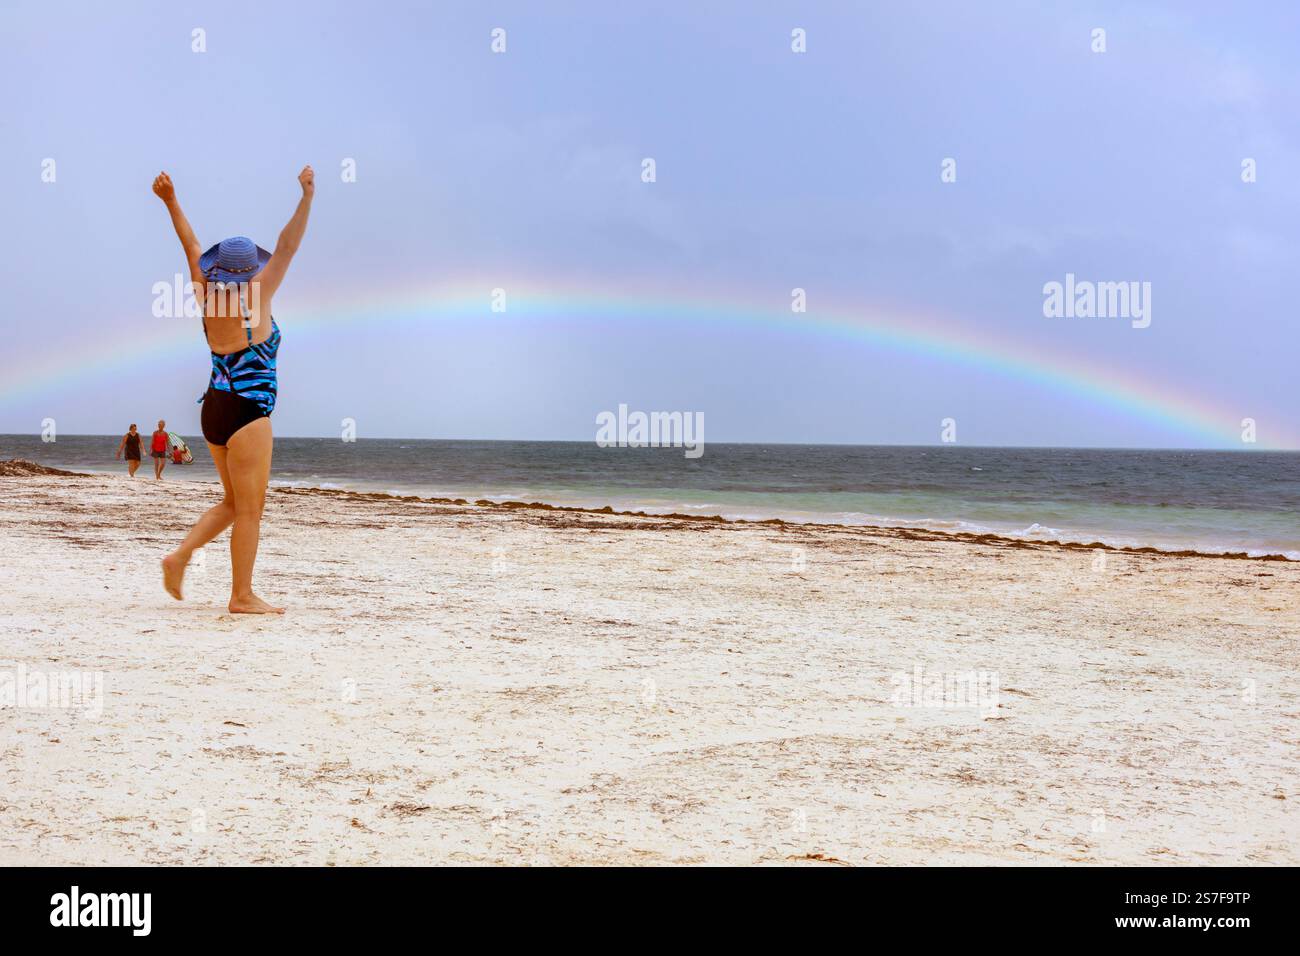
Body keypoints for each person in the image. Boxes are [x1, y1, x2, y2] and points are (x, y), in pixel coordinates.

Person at [152, 167, 314, 614]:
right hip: (248, 412)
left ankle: (179, 556)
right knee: (250, 511)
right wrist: (307, 195)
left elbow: (188, 244)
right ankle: (241, 596)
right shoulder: (257, 296)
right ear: (250, 272)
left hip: (215, 409)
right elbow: (288, 246)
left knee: (231, 501)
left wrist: (170, 199)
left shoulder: (205, 296)